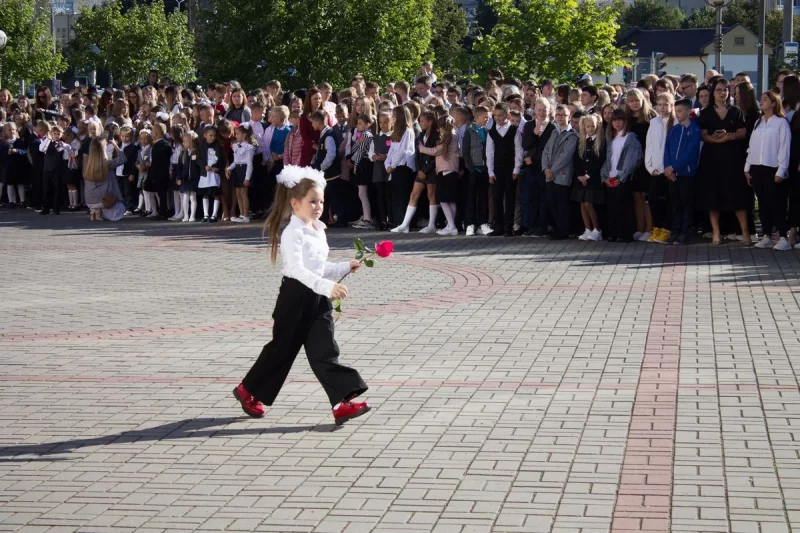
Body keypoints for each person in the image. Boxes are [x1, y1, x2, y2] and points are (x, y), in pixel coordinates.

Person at [233, 166, 370, 424]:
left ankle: (341, 404)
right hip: (294, 299)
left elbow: (318, 268)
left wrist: (343, 267)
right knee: (281, 351)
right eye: (312, 201)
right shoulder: (292, 233)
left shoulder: (318, 229)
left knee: (325, 351)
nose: (318, 207)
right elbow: (297, 270)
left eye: (321, 201)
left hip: (317, 299)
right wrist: (328, 286)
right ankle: (247, 390)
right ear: (295, 203)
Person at [695, 78, 751, 245]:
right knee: (712, 196)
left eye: (725, 90)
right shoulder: (706, 113)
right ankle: (716, 232)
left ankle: (745, 232)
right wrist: (716, 139)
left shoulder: (735, 111)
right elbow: (703, 135)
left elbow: (742, 132)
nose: (722, 93)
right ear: (713, 92)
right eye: (719, 90)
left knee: (736, 195)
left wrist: (729, 136)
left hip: (732, 158)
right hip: (711, 158)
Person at [746, 91, 792, 251]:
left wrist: (781, 170)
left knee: (776, 203)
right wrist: (747, 167)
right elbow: (752, 146)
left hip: (773, 167)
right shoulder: (758, 122)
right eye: (761, 99)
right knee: (763, 203)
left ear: (774, 103)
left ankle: (783, 237)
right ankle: (766, 235)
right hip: (757, 167)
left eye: (765, 99)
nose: (762, 101)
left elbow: (784, 147)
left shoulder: (781, 122)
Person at [664, 99, 702, 245]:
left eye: (680, 111)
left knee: (686, 204)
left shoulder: (695, 130)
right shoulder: (674, 129)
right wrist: (668, 167)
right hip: (672, 174)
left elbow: (690, 153)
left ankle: (685, 233)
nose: (677, 114)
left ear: (688, 111)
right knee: (675, 204)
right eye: (676, 111)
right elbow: (667, 149)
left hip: (686, 173)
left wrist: (674, 167)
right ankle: (675, 232)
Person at [601, 109, 642, 242]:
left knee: (624, 207)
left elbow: (631, 160)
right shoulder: (611, 138)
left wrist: (620, 177)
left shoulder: (631, 138)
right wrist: (605, 177)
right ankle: (614, 233)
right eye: (614, 120)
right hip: (610, 177)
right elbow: (607, 159)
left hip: (623, 179)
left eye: (620, 120)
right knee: (612, 207)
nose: (617, 123)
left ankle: (626, 234)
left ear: (625, 121)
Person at [541, 104, 578, 240]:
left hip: (562, 174)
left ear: (569, 117)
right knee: (551, 202)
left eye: (563, 115)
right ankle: (556, 228)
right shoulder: (554, 132)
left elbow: (565, 156)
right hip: (550, 174)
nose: (560, 117)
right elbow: (546, 151)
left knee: (562, 204)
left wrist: (552, 170)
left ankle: (564, 230)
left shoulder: (572, 135)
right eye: (558, 115)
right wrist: (545, 168)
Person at [418, 115, 460, 235]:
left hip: (447, 171)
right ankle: (450, 225)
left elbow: (436, 151)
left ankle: (452, 226)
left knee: (443, 200)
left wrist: (422, 148)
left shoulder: (450, 137)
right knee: (450, 200)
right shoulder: (452, 136)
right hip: (447, 170)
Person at [520, 97, 556, 237]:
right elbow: (525, 144)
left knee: (544, 199)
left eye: (544, 110)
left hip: (544, 167)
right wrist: (534, 134)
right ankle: (532, 226)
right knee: (531, 198)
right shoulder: (529, 125)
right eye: (539, 110)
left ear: (549, 111)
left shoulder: (552, 128)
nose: (541, 113)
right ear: (535, 110)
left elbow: (549, 149)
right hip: (530, 169)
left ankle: (543, 226)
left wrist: (533, 159)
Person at [487, 102, 523, 236]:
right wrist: (490, 171)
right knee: (496, 197)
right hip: (497, 169)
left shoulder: (514, 130)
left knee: (510, 198)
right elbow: (489, 153)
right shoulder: (492, 132)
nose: (497, 118)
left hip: (510, 169)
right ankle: (499, 227)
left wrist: (516, 168)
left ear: (507, 116)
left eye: (500, 115)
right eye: (495, 115)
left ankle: (508, 227)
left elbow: (519, 150)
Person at [625, 88, 656, 242]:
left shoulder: (652, 117)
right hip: (633, 162)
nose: (635, 104)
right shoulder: (628, 120)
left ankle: (649, 229)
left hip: (648, 161)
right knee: (636, 196)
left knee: (646, 197)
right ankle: (640, 228)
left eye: (637, 100)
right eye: (631, 101)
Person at [645, 93, 675, 244]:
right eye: (660, 104)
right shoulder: (654, 122)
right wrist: (650, 167)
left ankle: (667, 229)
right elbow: (649, 145)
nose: (662, 108)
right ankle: (657, 227)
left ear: (671, 105)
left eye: (665, 104)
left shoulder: (676, 121)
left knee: (669, 201)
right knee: (654, 200)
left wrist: (672, 167)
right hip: (656, 169)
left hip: (670, 169)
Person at [572, 114, 606, 242]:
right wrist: (580, 175)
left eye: (593, 126)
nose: (591, 128)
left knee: (589, 203)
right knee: (582, 203)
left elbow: (599, 161)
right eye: (588, 126)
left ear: (597, 126)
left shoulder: (601, 141)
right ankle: (587, 229)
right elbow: (576, 160)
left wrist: (587, 176)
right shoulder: (581, 141)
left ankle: (597, 229)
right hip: (581, 179)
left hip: (593, 179)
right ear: (584, 127)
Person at [387, 106, 420, 233]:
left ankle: (404, 223)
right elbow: (391, 150)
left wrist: (392, 165)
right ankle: (398, 222)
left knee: (403, 196)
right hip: (395, 167)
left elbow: (403, 151)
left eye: (394, 116)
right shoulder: (396, 132)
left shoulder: (408, 132)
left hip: (404, 167)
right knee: (396, 195)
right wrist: (387, 164)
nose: (393, 118)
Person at [82, 137, 128, 221]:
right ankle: (100, 211)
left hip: (90, 200)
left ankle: (95, 210)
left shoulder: (86, 163)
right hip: (105, 200)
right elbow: (123, 158)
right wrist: (115, 145)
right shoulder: (107, 164)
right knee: (121, 206)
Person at [462, 106, 491, 236]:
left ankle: (483, 223)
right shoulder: (469, 131)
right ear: (477, 117)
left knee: (483, 198)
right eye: (485, 117)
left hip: (484, 169)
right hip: (473, 170)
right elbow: (465, 151)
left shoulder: (487, 131)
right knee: (471, 198)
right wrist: (471, 168)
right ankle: (470, 224)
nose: (487, 119)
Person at [226, 123, 257, 223]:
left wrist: (247, 178)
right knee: (238, 194)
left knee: (244, 194)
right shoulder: (236, 146)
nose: (236, 136)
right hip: (237, 170)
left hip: (244, 170)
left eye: (238, 133)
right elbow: (235, 161)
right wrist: (228, 168)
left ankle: (246, 215)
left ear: (244, 134)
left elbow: (249, 163)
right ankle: (242, 214)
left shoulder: (248, 147)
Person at [368, 111, 393, 230]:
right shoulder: (375, 138)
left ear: (392, 122)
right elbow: (370, 153)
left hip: (389, 171)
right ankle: (382, 220)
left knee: (389, 196)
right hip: (378, 170)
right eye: (381, 122)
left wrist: (386, 157)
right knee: (380, 196)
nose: (383, 125)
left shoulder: (393, 137)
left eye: (386, 122)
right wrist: (374, 157)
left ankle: (390, 219)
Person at [198, 125, 226, 223]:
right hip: (205, 173)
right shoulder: (201, 147)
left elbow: (222, 160)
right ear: (205, 135)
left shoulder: (219, 147)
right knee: (205, 194)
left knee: (216, 193)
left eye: (214, 135)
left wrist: (217, 168)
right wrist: (204, 166)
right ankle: (206, 214)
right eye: (210, 135)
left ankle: (214, 215)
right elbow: (198, 159)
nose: (212, 137)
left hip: (214, 174)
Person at [177, 131, 201, 222]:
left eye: (185, 141)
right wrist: (178, 177)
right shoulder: (183, 153)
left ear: (191, 141)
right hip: (185, 178)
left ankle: (192, 215)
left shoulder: (197, 152)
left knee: (193, 197)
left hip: (194, 178)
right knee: (185, 197)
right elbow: (179, 167)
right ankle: (186, 215)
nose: (183, 143)